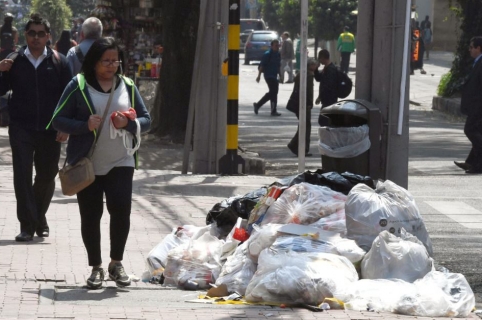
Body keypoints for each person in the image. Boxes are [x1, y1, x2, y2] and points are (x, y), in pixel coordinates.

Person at [50, 37, 151, 289]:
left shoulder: (127, 85)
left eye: (115, 60)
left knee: (120, 211)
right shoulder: (79, 85)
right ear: (94, 62)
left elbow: (147, 119)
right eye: (106, 61)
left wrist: (127, 124)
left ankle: (116, 263)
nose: (111, 65)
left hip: (121, 161)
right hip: (88, 164)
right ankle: (95, 267)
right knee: (91, 215)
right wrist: (84, 126)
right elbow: (57, 119)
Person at [0, 14, 72, 242]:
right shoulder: (13, 60)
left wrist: (66, 126)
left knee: (47, 175)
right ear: (25, 35)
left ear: (48, 36)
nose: (37, 38)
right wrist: (1, 71)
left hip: (51, 129)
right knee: (22, 174)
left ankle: (39, 217)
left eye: (41, 33)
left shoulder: (60, 62)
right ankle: (27, 226)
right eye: (32, 33)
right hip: (21, 127)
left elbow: (69, 97)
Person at [454, 36, 482, 174]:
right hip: (475, 106)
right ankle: (471, 162)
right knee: (478, 132)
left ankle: (478, 164)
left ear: (478, 48)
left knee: (470, 130)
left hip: (478, 107)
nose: (469, 50)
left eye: (472, 47)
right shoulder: (477, 62)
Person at [287, 58, 318, 157]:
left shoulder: (302, 74)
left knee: (303, 125)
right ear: (310, 66)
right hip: (303, 104)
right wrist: (309, 103)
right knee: (306, 126)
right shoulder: (308, 76)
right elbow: (309, 91)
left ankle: (295, 145)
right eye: (315, 65)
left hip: (298, 103)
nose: (316, 67)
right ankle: (302, 148)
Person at [253, 39, 283, 116]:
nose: (277, 47)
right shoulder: (267, 54)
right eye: (275, 45)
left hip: (274, 75)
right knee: (273, 92)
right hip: (268, 75)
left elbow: (278, 66)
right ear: (272, 46)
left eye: (278, 45)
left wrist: (280, 75)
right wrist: (259, 76)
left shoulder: (278, 54)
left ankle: (272, 110)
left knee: (274, 93)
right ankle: (259, 105)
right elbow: (262, 66)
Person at [314, 49, 338, 126]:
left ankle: (328, 136)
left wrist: (320, 97)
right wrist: (316, 69)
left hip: (330, 99)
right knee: (324, 120)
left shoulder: (331, 69)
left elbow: (327, 86)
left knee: (324, 120)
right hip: (326, 99)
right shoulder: (326, 68)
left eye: (319, 58)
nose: (319, 61)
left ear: (323, 58)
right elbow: (318, 78)